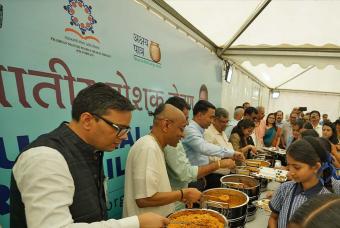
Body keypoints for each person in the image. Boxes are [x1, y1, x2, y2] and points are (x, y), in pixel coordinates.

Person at [10, 83, 168, 228]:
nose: (125, 136)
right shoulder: (44, 157)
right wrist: (136, 222)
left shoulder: (92, 151)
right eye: (119, 128)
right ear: (87, 120)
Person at [123, 104, 202, 217]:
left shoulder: (155, 146)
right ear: (166, 125)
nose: (183, 135)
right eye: (181, 128)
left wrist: (180, 196)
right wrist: (183, 193)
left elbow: (153, 190)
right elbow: (144, 199)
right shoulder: (148, 147)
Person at [163, 97, 235, 210]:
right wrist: (219, 164)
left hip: (185, 189)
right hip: (179, 194)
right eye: (184, 119)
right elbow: (185, 173)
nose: (187, 124)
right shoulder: (175, 139)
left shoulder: (183, 134)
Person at [268, 137, 333, 228]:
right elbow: (273, 218)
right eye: (289, 166)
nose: (291, 172)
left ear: (316, 167)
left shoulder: (326, 203)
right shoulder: (285, 189)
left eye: (297, 167)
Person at [182, 100, 244, 191]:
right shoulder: (191, 129)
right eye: (210, 117)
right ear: (199, 115)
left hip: (200, 176)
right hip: (192, 178)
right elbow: (203, 147)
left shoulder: (200, 130)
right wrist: (231, 153)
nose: (211, 121)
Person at [204, 108, 236, 189]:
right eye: (222, 122)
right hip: (214, 175)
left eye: (227, 121)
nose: (225, 124)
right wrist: (226, 156)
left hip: (225, 174)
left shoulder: (222, 132)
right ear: (214, 120)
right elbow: (207, 157)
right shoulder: (208, 133)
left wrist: (233, 154)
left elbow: (228, 147)